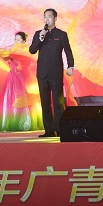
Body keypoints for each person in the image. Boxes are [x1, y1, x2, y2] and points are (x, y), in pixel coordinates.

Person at [29, 8, 75, 138]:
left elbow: (68, 52)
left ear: (55, 18)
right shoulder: (39, 34)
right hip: (42, 73)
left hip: (56, 73)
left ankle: (59, 129)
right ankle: (48, 130)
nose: (47, 19)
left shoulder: (61, 34)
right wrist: (40, 38)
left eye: (49, 16)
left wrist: (70, 66)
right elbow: (32, 50)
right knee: (45, 102)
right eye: (45, 17)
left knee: (58, 102)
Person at [0, 31, 41, 132]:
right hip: (12, 77)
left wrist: (19, 61)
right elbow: (5, 57)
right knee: (10, 97)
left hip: (23, 77)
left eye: (19, 40)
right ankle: (10, 120)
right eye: (15, 39)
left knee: (22, 98)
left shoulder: (26, 51)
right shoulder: (12, 50)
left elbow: (28, 62)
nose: (16, 42)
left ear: (24, 41)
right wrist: (1, 54)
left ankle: (25, 121)